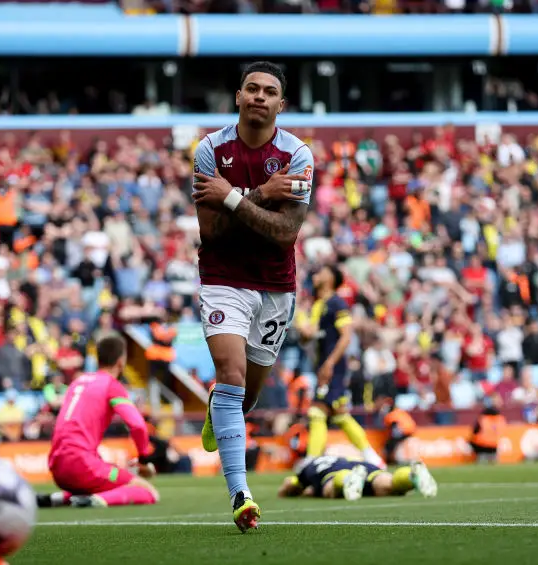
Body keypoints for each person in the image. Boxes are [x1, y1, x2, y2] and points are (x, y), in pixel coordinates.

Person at [191, 60, 315, 532]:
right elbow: (213, 234)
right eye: (252, 89)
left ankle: (218, 407)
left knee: (246, 396)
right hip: (223, 275)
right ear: (238, 97)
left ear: (281, 105)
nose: (260, 97)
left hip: (275, 285)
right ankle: (241, 495)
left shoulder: (299, 156)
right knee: (231, 373)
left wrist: (236, 196)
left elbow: (285, 235)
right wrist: (262, 193)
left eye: (269, 92)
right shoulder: (209, 150)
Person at [37, 333, 160, 509]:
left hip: (57, 466)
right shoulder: (111, 385)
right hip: (82, 466)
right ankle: (97, 501)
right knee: (148, 492)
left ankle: (58, 498)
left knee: (103, 472)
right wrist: (144, 458)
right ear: (121, 361)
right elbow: (137, 425)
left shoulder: (77, 382)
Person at [299, 265, 384, 466]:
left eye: (321, 272)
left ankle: (312, 459)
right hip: (322, 365)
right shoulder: (318, 305)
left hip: (333, 366)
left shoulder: (337, 303)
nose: (316, 274)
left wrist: (329, 363)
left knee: (318, 411)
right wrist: (301, 324)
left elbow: (346, 337)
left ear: (331, 279)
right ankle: (371, 456)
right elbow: (308, 337)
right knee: (338, 414)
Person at [277, 455, 437, 501]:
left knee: (329, 490)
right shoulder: (337, 457)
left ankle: (347, 480)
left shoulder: (307, 468)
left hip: (334, 473)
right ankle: (411, 476)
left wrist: (287, 492)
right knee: (388, 486)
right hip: (362, 465)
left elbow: (289, 485)